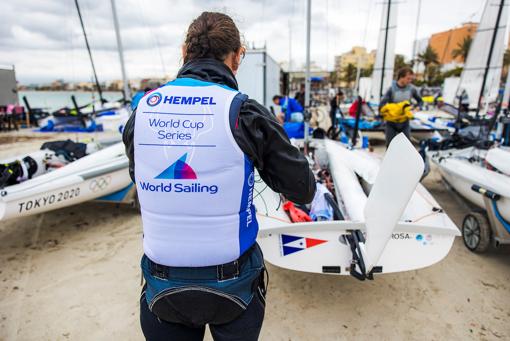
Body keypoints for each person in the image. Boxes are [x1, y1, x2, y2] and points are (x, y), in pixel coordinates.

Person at [122, 12, 315, 341]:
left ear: (184, 52)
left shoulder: (142, 112)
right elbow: (303, 189)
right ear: (237, 57)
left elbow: (142, 185)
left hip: (162, 285)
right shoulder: (244, 112)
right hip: (233, 285)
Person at [379, 67, 423, 146]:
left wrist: (418, 107)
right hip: (391, 122)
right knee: (390, 146)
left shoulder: (412, 89)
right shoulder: (391, 89)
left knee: (406, 145)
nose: (410, 81)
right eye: (408, 78)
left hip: (404, 122)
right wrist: (382, 114)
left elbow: (420, 101)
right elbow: (382, 104)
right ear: (401, 77)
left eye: (411, 79)